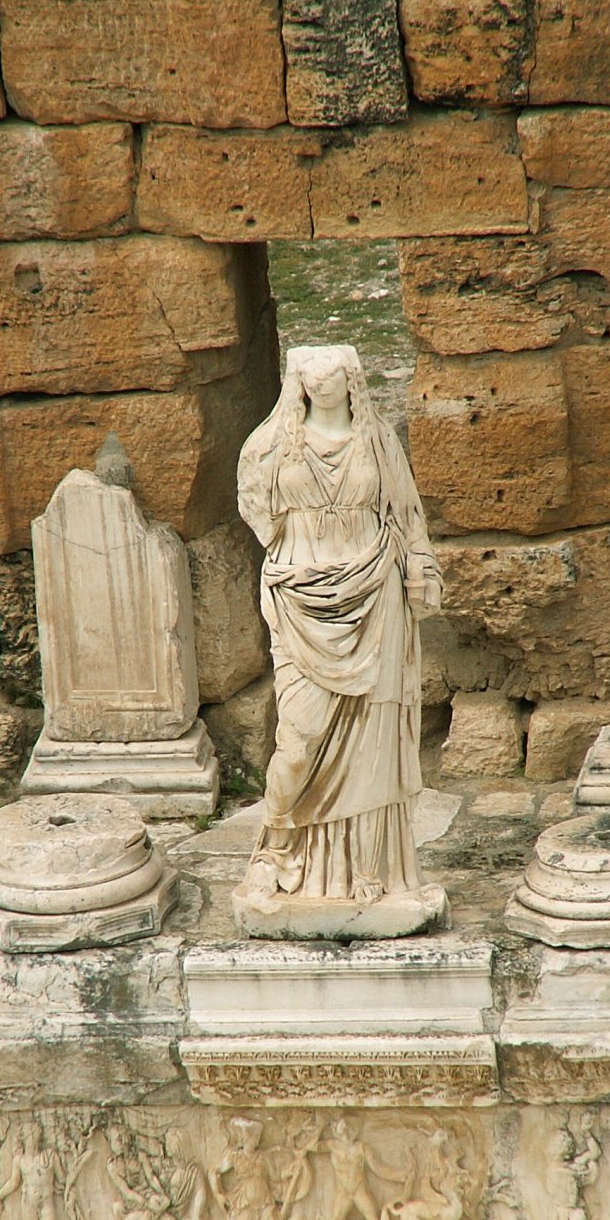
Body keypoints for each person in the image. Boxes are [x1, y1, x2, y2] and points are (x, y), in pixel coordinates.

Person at [236, 344, 443, 906]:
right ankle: (275, 847)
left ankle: (366, 867)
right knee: (299, 737)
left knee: (370, 742)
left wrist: (420, 568)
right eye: (311, 379)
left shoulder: (377, 441)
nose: (321, 388)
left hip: (376, 597)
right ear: (296, 382)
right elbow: (257, 514)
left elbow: (407, 513)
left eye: (332, 379)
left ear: (352, 380)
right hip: (302, 600)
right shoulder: (269, 445)